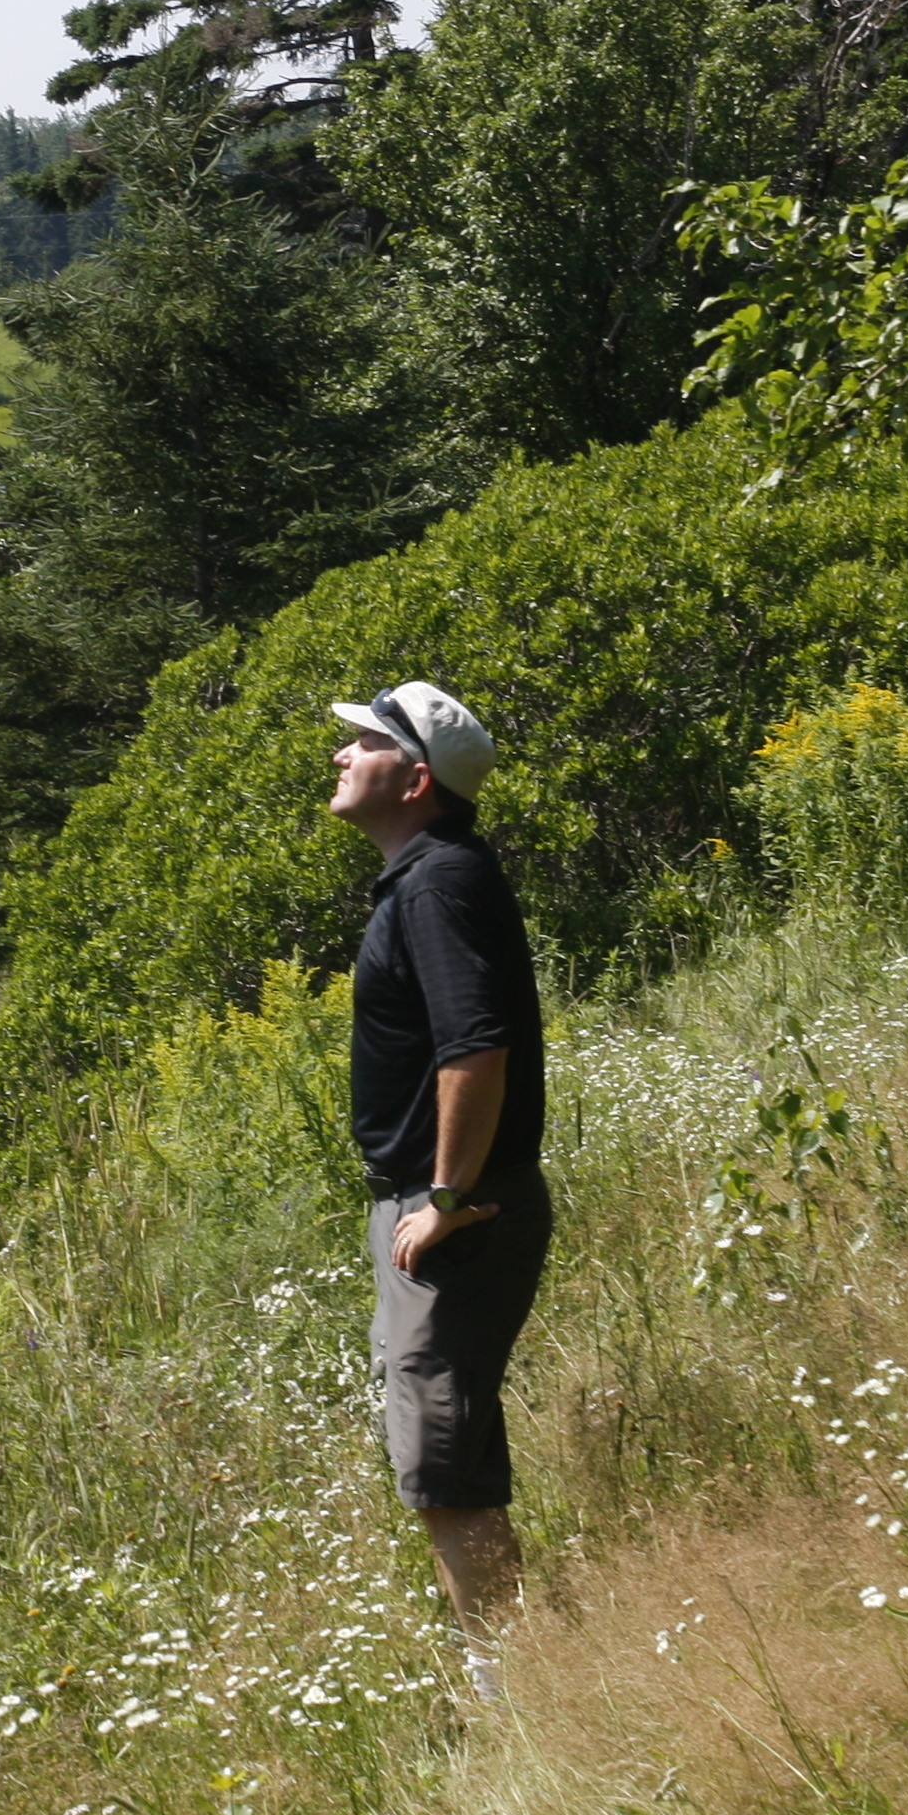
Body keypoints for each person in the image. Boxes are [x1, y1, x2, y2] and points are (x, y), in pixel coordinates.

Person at [327, 677, 550, 1695]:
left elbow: (476, 1049)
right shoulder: (433, 875)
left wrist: (446, 1195)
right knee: (436, 1448)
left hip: (455, 1216)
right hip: (434, 1209)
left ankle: (516, 1693)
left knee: (443, 1459)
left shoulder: (436, 885)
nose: (341, 755)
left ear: (415, 779)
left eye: (365, 743)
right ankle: (505, 1670)